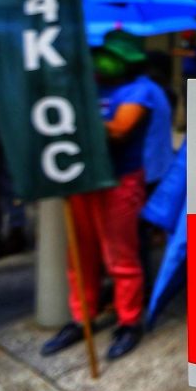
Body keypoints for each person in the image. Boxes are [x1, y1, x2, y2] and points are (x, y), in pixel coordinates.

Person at [41, 31, 154, 361]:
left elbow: (119, 130)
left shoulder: (139, 90)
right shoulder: (88, 86)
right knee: (79, 255)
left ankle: (129, 321)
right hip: (82, 180)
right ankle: (82, 318)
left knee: (120, 257)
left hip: (119, 182)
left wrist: (74, 111)